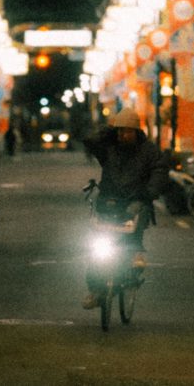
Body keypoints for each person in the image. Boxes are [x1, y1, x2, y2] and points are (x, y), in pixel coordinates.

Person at [80, 107, 167, 309]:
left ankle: (135, 258)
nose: (122, 135)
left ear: (136, 131)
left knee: (133, 230)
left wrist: (149, 193)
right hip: (108, 200)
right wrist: (107, 131)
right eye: (119, 131)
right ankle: (95, 290)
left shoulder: (149, 151)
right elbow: (90, 142)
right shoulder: (110, 147)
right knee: (96, 248)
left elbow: (160, 171)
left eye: (127, 130)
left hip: (135, 199)